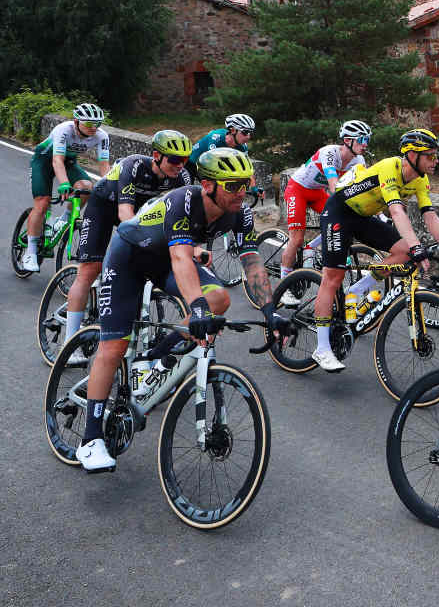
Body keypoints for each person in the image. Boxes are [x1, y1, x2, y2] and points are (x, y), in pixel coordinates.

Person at [74, 148, 287, 472]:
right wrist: (197, 308)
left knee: (219, 299)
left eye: (245, 184)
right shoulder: (183, 201)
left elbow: (252, 261)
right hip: (130, 256)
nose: (241, 192)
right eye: (232, 185)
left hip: (168, 260)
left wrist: (270, 310)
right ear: (208, 185)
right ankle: (90, 439)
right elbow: (180, 260)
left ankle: (153, 360)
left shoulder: (239, 213)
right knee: (115, 344)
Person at [308, 129, 439, 372]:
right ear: (412, 154)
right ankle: (322, 348)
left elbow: (430, 216)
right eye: (430, 156)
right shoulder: (390, 167)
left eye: (436, 156)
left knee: (404, 253)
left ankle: (357, 289)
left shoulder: (420, 179)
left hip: (363, 216)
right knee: (332, 277)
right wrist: (417, 246)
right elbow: (396, 212)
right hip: (340, 211)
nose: (436, 161)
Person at [64, 131, 194, 361]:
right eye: (174, 159)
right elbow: (125, 213)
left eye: (184, 160)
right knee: (89, 270)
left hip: (140, 215)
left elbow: (181, 217)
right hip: (105, 208)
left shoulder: (181, 178)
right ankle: (70, 342)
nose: (180, 165)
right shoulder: (133, 166)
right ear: (156, 155)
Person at [279, 120, 370, 304]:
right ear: (347, 140)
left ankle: (311, 248)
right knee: (296, 239)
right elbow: (334, 186)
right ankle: (283, 287)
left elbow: (365, 189)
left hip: (317, 193)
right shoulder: (329, 153)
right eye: (361, 139)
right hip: (298, 189)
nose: (365, 144)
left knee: (342, 220)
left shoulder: (359, 160)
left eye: (367, 139)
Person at [21, 103, 111, 273]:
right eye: (89, 123)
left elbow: (104, 166)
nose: (94, 128)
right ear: (76, 121)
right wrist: (64, 184)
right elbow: (57, 161)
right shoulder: (64, 129)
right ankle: (30, 251)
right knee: (43, 203)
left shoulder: (102, 136)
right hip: (44, 161)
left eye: (98, 124)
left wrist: (110, 187)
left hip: (68, 162)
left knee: (86, 187)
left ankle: (64, 218)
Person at [187, 113, 255, 179]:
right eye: (245, 132)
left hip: (206, 166)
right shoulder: (216, 139)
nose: (248, 137)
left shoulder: (243, 147)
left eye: (250, 133)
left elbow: (247, 169)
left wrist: (254, 189)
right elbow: (212, 164)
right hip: (191, 163)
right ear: (233, 130)